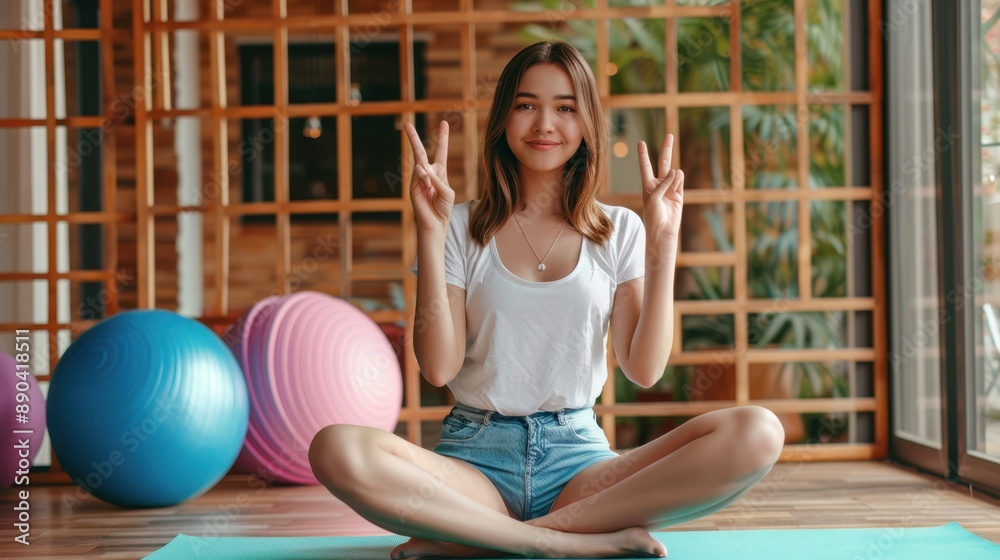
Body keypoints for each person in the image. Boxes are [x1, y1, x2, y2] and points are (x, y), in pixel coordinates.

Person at [309, 41, 784, 559]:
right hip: (472, 466)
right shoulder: (460, 225)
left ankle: (481, 542)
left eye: (565, 107)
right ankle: (551, 543)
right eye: (526, 104)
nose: (544, 124)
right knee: (335, 447)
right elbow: (438, 368)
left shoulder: (619, 229)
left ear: (586, 124)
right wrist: (430, 230)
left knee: (758, 431)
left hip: (578, 466)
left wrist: (663, 242)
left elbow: (644, 369)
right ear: (504, 118)